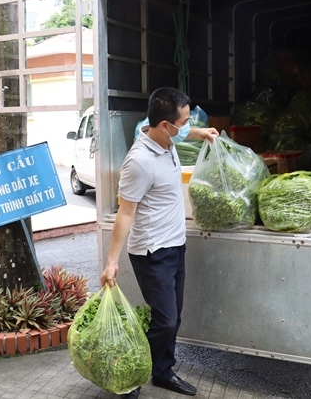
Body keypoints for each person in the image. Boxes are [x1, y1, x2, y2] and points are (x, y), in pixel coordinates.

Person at [100, 87, 219, 399]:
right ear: (165, 125)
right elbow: (125, 213)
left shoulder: (166, 138)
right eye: (183, 121)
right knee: (165, 321)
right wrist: (111, 261)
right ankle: (131, 375)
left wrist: (201, 132)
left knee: (173, 317)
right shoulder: (139, 162)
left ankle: (162, 372)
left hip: (175, 245)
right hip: (153, 252)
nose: (186, 126)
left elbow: (182, 132)